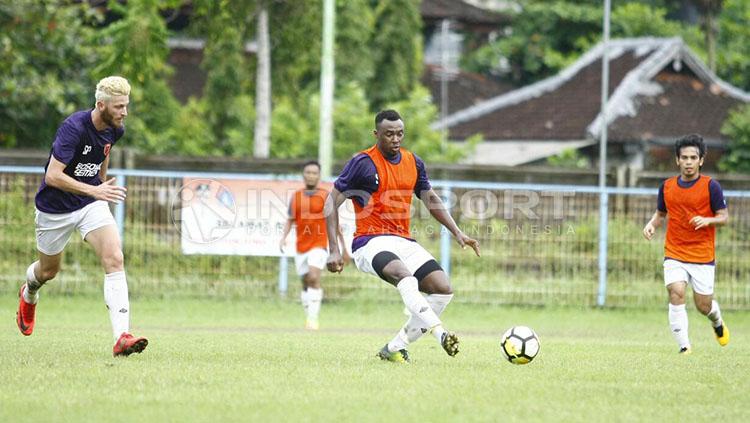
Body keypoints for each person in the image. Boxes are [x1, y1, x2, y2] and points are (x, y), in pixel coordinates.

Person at [325, 109, 480, 362]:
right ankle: (440, 333)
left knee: (442, 289)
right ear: (377, 134)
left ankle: (394, 348)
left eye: (399, 134)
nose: (395, 139)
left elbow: (430, 198)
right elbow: (330, 202)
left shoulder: (414, 162)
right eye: (389, 134)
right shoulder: (362, 163)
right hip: (369, 242)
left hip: (403, 241)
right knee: (404, 276)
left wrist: (457, 232)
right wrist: (333, 249)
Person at [16, 76, 148, 357]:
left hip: (90, 202)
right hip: (54, 209)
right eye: (119, 107)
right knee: (48, 271)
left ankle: (122, 337)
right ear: (101, 105)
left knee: (115, 258)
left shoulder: (116, 129)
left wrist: (99, 185)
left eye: (126, 106)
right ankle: (29, 293)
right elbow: (52, 176)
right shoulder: (73, 128)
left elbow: (104, 152)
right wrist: (94, 189)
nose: (124, 112)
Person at [643, 134, 729, 354]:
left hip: (702, 255)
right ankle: (684, 347)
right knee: (676, 291)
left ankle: (717, 321)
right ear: (677, 160)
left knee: (704, 306)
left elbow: (724, 217)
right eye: (684, 157)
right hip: (674, 251)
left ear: (701, 160)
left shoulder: (712, 187)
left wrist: (708, 220)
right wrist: (652, 224)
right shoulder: (667, 187)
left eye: (693, 157)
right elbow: (661, 213)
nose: (689, 162)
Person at [279, 160, 349, 330]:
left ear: (319, 175)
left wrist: (343, 248)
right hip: (301, 245)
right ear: (303, 175)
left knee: (313, 277)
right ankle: (308, 315)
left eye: (314, 173)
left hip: (319, 244)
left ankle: (313, 320)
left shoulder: (326, 196)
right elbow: (290, 219)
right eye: (308, 172)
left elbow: (335, 223)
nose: (311, 175)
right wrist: (283, 238)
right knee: (305, 281)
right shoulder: (296, 196)